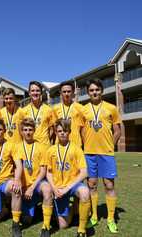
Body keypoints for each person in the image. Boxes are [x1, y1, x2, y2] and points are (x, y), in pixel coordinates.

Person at [82, 78, 121, 233]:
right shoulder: (84, 109)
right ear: (88, 92)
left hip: (106, 153)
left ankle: (111, 218)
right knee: (91, 185)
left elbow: (118, 130)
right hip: (89, 153)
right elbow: (81, 131)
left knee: (109, 185)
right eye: (91, 90)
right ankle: (94, 217)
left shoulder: (111, 108)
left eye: (97, 89)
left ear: (102, 91)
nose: (94, 92)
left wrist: (111, 145)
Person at [47, 119, 90, 237]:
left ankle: (81, 229)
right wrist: (55, 188)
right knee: (63, 226)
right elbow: (48, 173)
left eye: (65, 131)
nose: (62, 133)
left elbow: (84, 172)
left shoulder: (77, 149)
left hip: (72, 186)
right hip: (58, 188)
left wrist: (67, 189)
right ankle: (74, 208)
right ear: (55, 132)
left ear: (69, 132)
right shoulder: (51, 150)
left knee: (85, 192)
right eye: (59, 131)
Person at [18, 118, 53, 237]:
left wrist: (32, 188)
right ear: (21, 131)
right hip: (24, 186)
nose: (28, 132)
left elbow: (43, 171)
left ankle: (46, 226)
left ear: (34, 131)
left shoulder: (42, 147)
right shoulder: (17, 147)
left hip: (37, 184)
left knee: (47, 189)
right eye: (25, 130)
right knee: (27, 220)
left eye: (30, 130)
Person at [19, 81, 55, 147]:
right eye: (32, 91)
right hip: (29, 147)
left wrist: (45, 139)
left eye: (37, 91)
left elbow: (52, 130)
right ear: (29, 93)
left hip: (44, 147)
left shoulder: (49, 110)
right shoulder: (23, 111)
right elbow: (20, 130)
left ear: (41, 92)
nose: (35, 93)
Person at [53, 81, 84, 147]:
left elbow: (83, 129)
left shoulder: (80, 108)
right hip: (59, 145)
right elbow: (53, 129)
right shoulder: (55, 109)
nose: (66, 94)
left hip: (76, 145)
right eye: (64, 92)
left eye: (69, 91)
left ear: (73, 93)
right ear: (61, 93)